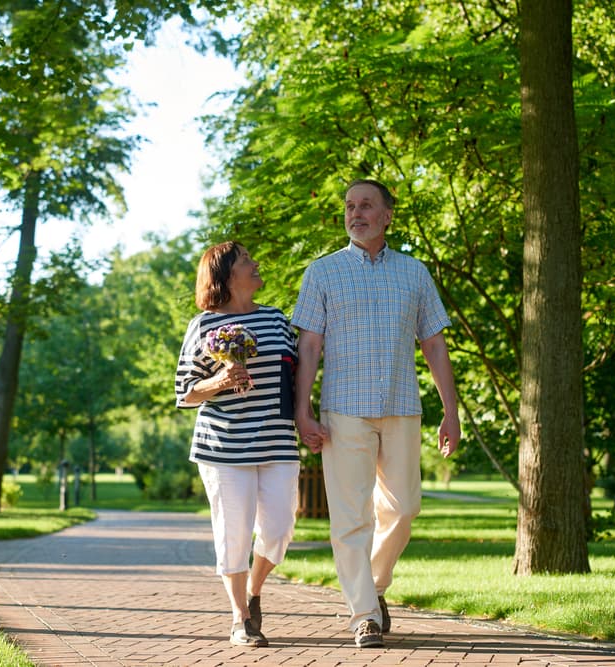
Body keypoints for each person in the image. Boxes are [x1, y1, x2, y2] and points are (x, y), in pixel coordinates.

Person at [292, 179, 461, 649]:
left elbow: (433, 344)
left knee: (405, 508)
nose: (356, 212)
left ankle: (375, 584)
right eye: (349, 205)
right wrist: (302, 411)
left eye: (366, 205)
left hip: (402, 405)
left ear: (388, 214)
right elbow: (308, 346)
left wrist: (452, 411)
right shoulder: (322, 272)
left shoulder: (414, 272)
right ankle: (364, 613)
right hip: (344, 409)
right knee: (350, 518)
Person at [175, 241, 300, 648]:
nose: (256, 263)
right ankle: (240, 618)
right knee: (233, 532)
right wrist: (219, 380)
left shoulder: (277, 320)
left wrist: (308, 418)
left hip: (277, 440)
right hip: (224, 446)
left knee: (280, 528)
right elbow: (184, 392)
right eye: (247, 261)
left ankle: (254, 590)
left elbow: (295, 378)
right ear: (227, 276)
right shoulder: (204, 325)